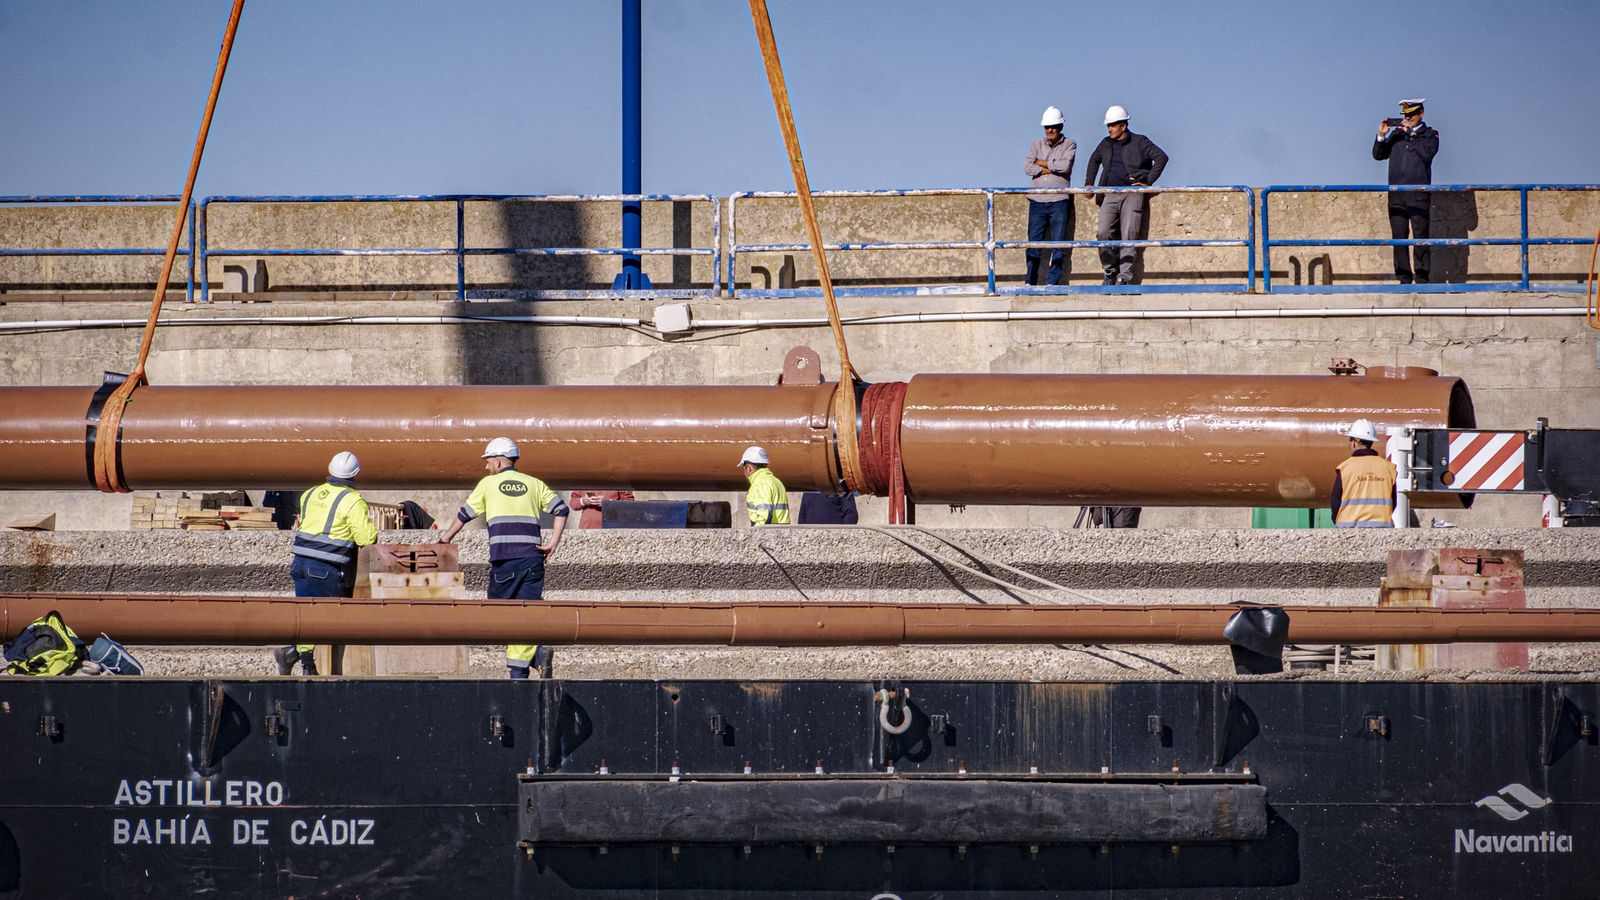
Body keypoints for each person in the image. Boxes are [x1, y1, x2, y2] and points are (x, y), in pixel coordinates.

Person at [440, 437, 570, 679]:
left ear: (499, 462)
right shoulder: (534, 483)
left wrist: (445, 539)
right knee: (527, 616)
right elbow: (561, 510)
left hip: (505, 561)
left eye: (488, 462)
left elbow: (464, 514)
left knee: (497, 614)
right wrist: (553, 543)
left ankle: (533, 657)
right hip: (533, 560)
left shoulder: (488, 485)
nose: (485, 467)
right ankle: (522, 671)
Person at [279, 451, 378, 676]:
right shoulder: (353, 500)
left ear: (331, 470)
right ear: (355, 474)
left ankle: (301, 661)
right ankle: (301, 660)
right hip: (325, 567)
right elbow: (366, 538)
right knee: (335, 618)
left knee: (306, 614)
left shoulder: (310, 493)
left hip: (300, 563)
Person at [1083, 105, 1168, 286]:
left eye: (1113, 125)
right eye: (1108, 125)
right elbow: (1093, 160)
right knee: (1103, 233)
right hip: (1109, 193)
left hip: (1132, 193)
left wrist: (1147, 181)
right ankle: (1110, 272)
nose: (1110, 129)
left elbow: (1161, 157)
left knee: (1129, 235)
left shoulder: (1140, 141)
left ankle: (1124, 277)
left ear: (1124, 125)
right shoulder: (1105, 143)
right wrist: (1089, 183)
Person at [1372, 98, 1439, 285]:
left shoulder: (1430, 135)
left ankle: (1422, 277)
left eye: (1411, 115)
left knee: (1420, 237)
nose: (1407, 118)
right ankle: (1403, 278)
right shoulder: (1397, 134)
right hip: (1396, 195)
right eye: (1405, 115)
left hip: (1418, 194)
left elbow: (1427, 154)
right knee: (1399, 238)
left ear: (1421, 114)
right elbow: (1378, 155)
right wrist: (1381, 135)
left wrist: (1412, 134)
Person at [1024, 105, 1077, 286]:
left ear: (1060, 127)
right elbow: (1027, 167)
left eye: (1053, 127)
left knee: (1058, 245)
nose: (1050, 130)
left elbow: (1065, 167)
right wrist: (1053, 166)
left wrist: (1042, 165)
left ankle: (1052, 283)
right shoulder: (1036, 144)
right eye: (1047, 127)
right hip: (1037, 200)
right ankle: (1030, 282)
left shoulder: (1070, 144)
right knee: (1033, 245)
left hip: (1059, 201)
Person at [1330, 419, 1397, 528]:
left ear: (1354, 443)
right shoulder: (1388, 468)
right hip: (1382, 530)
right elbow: (1393, 502)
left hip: (1349, 530)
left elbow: (1335, 502)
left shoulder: (1345, 468)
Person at [738, 446, 789, 526]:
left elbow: (764, 518)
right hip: (782, 533)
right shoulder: (776, 481)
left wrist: (755, 535)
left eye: (744, 468)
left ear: (748, 468)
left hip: (768, 535)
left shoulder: (759, 484)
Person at [569, 489, 635, 529]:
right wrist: (583, 501)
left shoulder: (619, 477)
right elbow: (573, 503)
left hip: (612, 529)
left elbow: (629, 504)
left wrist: (608, 503)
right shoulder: (583, 477)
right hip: (587, 528)